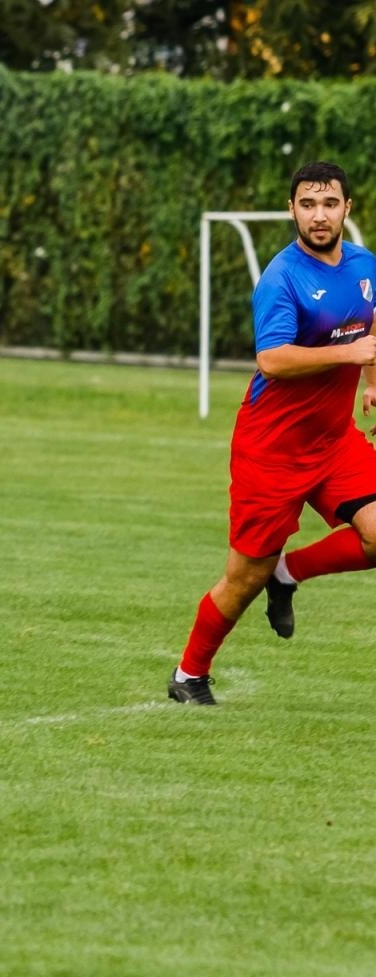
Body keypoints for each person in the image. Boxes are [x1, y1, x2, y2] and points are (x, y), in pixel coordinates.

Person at [170, 160, 376, 705]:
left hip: (334, 441)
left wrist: (369, 381)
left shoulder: (365, 265)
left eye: (329, 203)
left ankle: (289, 573)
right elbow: (273, 359)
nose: (319, 215)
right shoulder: (281, 278)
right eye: (307, 205)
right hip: (272, 451)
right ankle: (189, 675)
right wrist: (350, 354)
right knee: (241, 580)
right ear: (292, 210)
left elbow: (372, 320)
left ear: (347, 209)